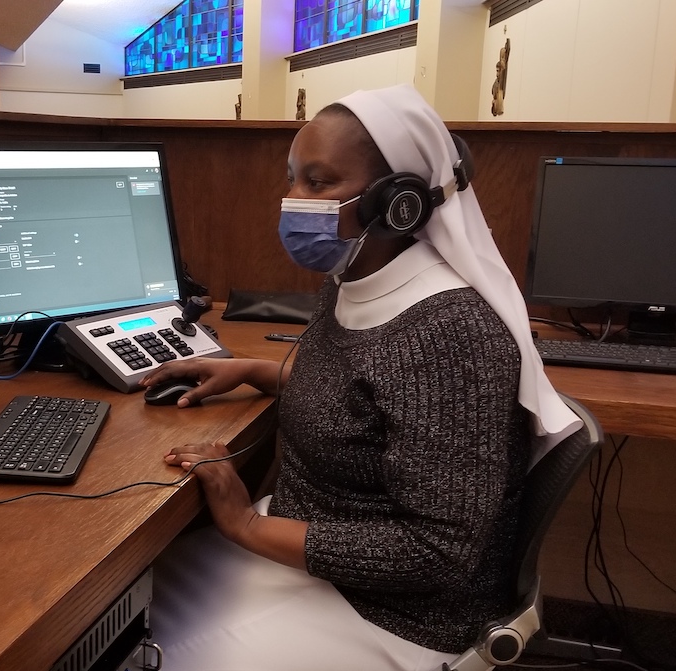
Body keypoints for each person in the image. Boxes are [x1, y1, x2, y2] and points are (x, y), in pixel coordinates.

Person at [140, 84, 581, 671]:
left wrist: (243, 522)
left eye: (318, 183)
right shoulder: (357, 275)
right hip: (306, 548)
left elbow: (437, 554)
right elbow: (368, 399)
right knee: (120, 609)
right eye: (293, 177)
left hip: (395, 612)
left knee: (140, 650)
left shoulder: (448, 332)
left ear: (399, 203)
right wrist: (251, 370)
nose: (292, 200)